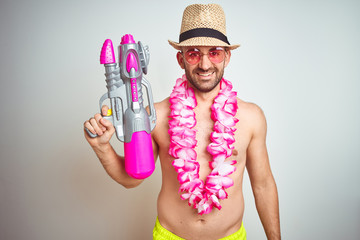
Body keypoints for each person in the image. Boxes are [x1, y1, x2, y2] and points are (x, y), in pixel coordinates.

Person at [84, 3, 280, 240]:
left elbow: (263, 186)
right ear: (181, 58)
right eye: (194, 53)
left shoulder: (251, 117)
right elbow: (131, 180)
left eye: (215, 52)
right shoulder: (156, 115)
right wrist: (101, 146)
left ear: (227, 57)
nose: (205, 64)